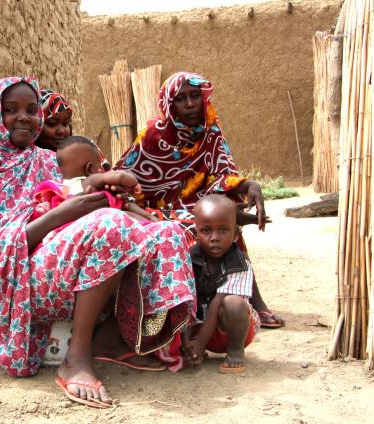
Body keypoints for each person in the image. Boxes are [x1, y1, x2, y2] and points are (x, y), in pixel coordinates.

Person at [0, 76, 196, 408]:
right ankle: (76, 358)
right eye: (11, 110)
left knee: (163, 232)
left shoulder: (44, 160)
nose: (24, 117)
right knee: (110, 226)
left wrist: (106, 195)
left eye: (31, 109)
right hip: (22, 283)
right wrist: (64, 214)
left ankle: (120, 340)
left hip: (67, 266)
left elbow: (72, 191)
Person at [116, 72, 284, 328]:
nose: (190, 104)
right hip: (153, 211)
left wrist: (249, 185)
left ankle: (251, 299)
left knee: (223, 222)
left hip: (196, 206)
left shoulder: (210, 132)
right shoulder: (153, 135)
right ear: (169, 105)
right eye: (181, 99)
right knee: (211, 223)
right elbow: (126, 180)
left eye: (195, 96)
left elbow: (223, 174)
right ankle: (196, 308)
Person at [181, 194, 260, 374]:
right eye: (206, 231)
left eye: (223, 230)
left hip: (232, 330)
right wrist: (188, 344)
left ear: (235, 235)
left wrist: (200, 343)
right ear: (195, 234)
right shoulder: (188, 259)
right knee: (176, 300)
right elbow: (187, 303)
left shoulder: (240, 264)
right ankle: (188, 351)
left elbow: (218, 304)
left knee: (233, 303)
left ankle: (235, 352)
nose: (215, 237)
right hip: (198, 326)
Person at [32, 135, 156, 223]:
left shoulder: (62, 189)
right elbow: (119, 176)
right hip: (100, 222)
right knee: (127, 212)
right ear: (89, 168)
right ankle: (151, 221)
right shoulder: (90, 180)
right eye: (100, 164)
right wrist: (134, 183)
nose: (103, 169)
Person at [38, 89, 111, 170]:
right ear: (36, 124)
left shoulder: (85, 151)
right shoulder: (26, 162)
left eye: (66, 123)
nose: (61, 131)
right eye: (52, 124)